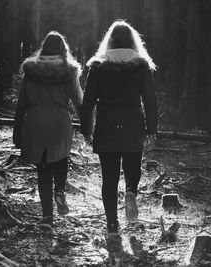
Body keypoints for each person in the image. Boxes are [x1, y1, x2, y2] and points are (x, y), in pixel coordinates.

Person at [80, 20, 158, 233]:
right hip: (133, 123)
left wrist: (86, 130)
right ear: (133, 41)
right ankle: (131, 191)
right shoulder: (141, 65)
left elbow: (88, 102)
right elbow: (150, 99)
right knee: (133, 168)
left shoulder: (98, 66)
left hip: (106, 125)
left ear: (110, 41)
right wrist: (152, 130)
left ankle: (112, 223)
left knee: (109, 177)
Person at [13, 31, 83, 226]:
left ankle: (47, 217)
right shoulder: (68, 71)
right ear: (63, 49)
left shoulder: (31, 70)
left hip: (36, 122)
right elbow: (79, 102)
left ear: (44, 48)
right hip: (60, 122)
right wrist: (87, 128)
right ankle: (59, 190)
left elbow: (22, 103)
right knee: (61, 157)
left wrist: (17, 133)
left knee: (43, 168)